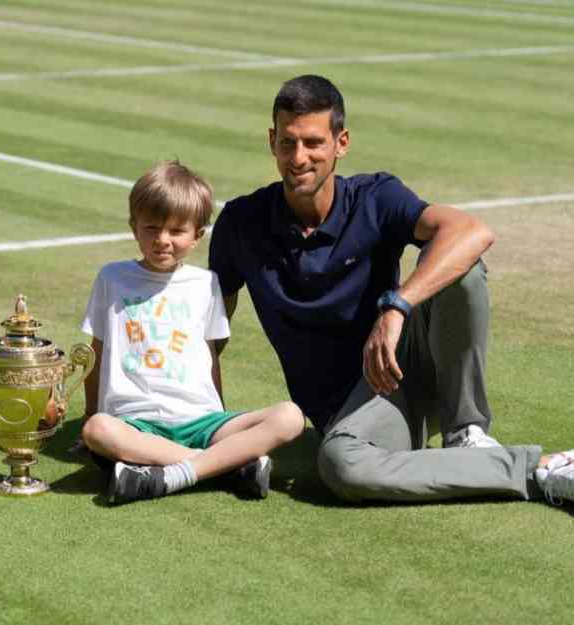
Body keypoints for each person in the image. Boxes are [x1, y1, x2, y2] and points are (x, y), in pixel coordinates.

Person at [208, 74, 574, 505]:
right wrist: (204, 432)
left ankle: (468, 435)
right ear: (271, 141)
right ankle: (542, 468)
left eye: (313, 143)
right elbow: (211, 338)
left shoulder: (375, 197)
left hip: (412, 362)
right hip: (359, 411)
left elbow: (472, 231)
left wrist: (396, 306)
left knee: (464, 268)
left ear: (341, 143)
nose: (298, 157)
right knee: (342, 464)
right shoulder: (240, 224)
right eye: (287, 143)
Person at [80, 160, 305, 505]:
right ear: (133, 226)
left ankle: (170, 472)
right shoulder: (112, 277)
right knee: (97, 429)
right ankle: (228, 467)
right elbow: (96, 350)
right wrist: (89, 413)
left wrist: (221, 417)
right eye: (151, 228)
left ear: (198, 235)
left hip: (203, 422)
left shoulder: (206, 284)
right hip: (136, 422)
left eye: (176, 231)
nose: (162, 240)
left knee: (290, 417)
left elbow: (210, 356)